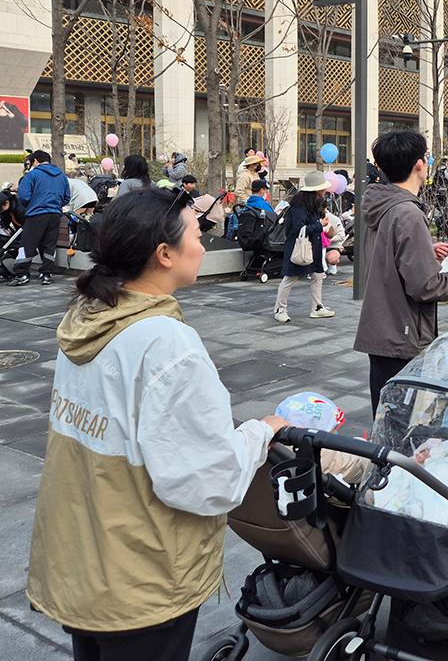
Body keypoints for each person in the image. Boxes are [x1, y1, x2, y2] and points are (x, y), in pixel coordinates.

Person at [26, 187, 286, 661]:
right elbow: (207, 480)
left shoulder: (89, 314)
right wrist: (261, 431)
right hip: (141, 578)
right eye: (195, 234)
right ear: (164, 254)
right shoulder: (166, 344)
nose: (205, 245)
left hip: (81, 563)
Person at [354, 130, 448, 414]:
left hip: (381, 330)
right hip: (402, 335)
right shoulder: (408, 213)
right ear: (419, 164)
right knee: (404, 424)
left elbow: (386, 256)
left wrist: (426, 249)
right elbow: (425, 286)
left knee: (385, 418)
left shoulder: (381, 204)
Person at [273, 171, 336, 324]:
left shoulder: (313, 203)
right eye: (322, 189)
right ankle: (279, 309)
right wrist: (319, 225)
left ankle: (317, 307)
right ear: (316, 190)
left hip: (311, 247)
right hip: (299, 247)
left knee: (317, 276)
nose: (325, 191)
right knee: (290, 278)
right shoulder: (300, 207)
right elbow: (298, 229)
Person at [10, 150, 69, 287]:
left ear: (35, 161)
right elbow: (66, 196)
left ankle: (22, 274)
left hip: (37, 213)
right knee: (49, 245)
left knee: (27, 244)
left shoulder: (32, 174)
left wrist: (32, 204)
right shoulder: (62, 176)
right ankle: (47, 274)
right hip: (55, 214)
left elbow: (24, 197)